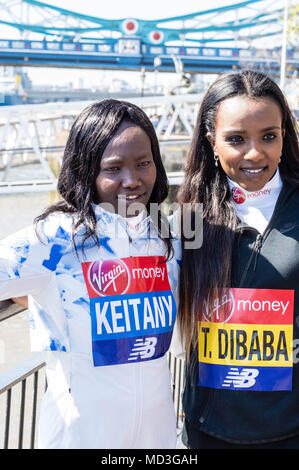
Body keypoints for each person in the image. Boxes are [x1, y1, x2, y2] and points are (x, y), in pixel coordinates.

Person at [0, 99, 181, 449]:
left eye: (144, 164)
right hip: (81, 436)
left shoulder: (165, 237)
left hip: (158, 438)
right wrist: (41, 293)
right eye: (113, 169)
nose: (133, 180)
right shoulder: (56, 240)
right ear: (87, 171)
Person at [177, 69, 299, 449]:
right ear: (213, 142)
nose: (254, 153)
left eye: (268, 136)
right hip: (207, 431)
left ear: (284, 136)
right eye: (236, 139)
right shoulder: (189, 217)